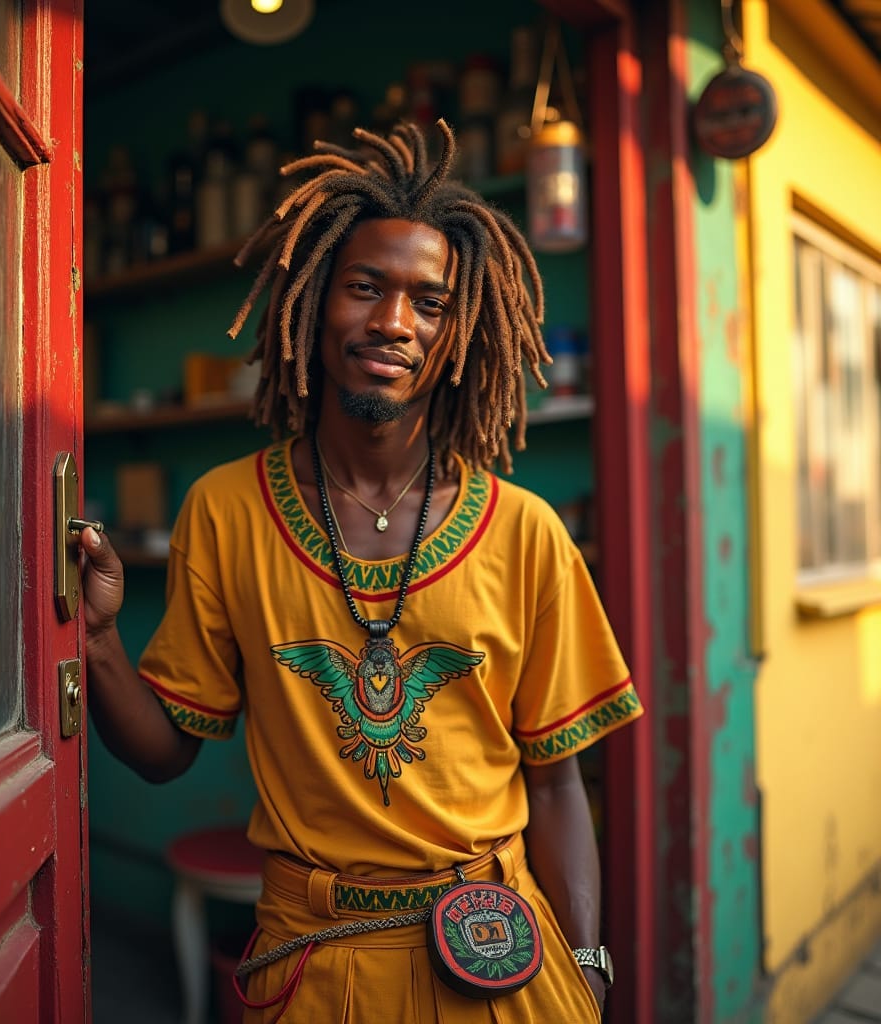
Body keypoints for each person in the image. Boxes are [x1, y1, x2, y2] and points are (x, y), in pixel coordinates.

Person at [81, 118, 643, 1022]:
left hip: (501, 952)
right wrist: (100, 640)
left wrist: (587, 969)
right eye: (365, 288)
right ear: (309, 304)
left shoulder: (525, 530)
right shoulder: (227, 511)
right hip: (313, 963)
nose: (394, 322)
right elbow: (164, 753)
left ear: (462, 331)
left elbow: (558, 783)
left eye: (430, 301)